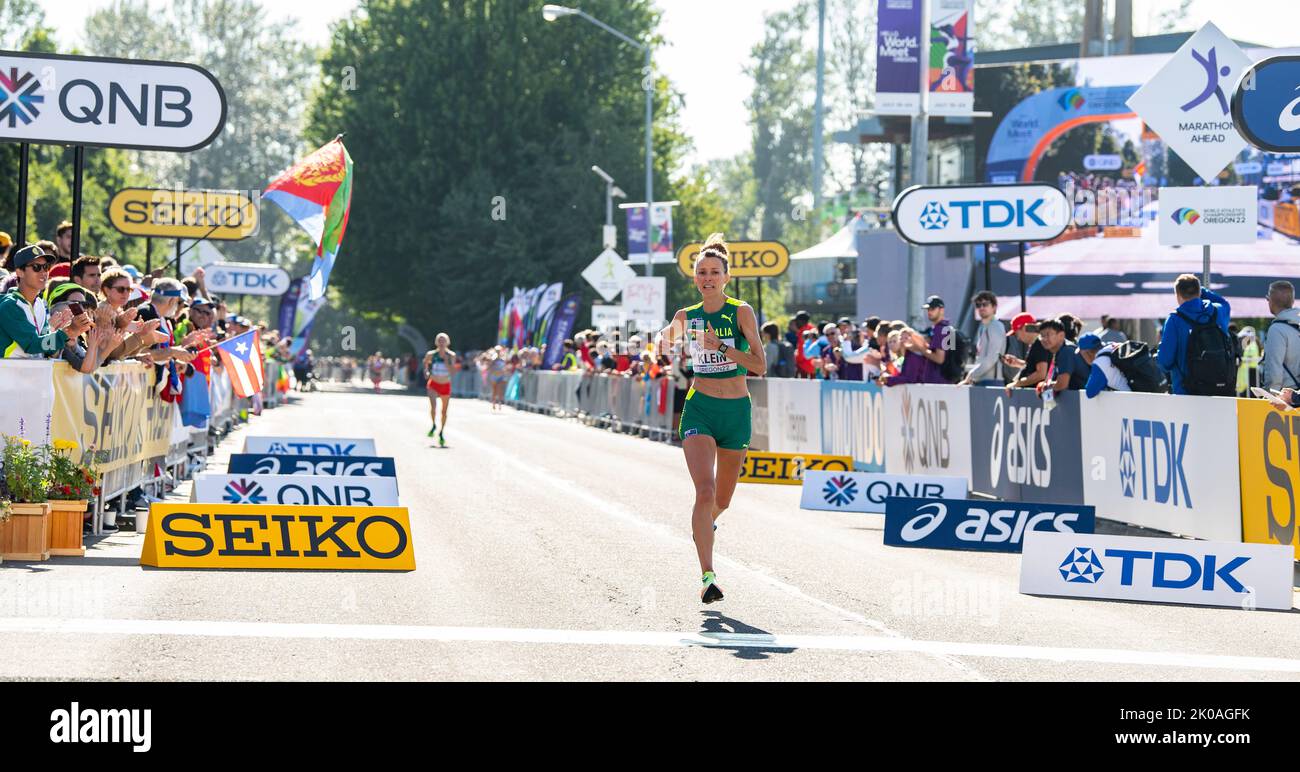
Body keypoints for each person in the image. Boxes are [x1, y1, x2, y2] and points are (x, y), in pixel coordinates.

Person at [654, 233, 765, 604]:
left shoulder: (741, 312)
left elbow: (760, 366)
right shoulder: (688, 316)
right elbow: (664, 341)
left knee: (722, 499)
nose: (707, 278)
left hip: (736, 413)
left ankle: (705, 524)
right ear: (695, 278)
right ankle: (707, 576)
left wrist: (720, 346)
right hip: (700, 407)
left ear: (726, 277)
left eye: (714, 272)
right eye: (701, 272)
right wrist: (663, 339)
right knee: (704, 491)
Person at [0, 245, 90, 358]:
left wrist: (68, 331)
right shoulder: (9, 306)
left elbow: (46, 349)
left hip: (31, 374)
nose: (44, 272)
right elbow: (32, 345)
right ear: (19, 272)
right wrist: (69, 332)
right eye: (36, 267)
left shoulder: (40, 304)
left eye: (46, 267)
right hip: (6, 374)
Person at [1156, 273, 1233, 396]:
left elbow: (1165, 361)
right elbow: (1224, 303)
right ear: (1199, 292)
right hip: (1221, 390)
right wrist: (1202, 290)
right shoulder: (1217, 311)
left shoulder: (1174, 319)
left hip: (1186, 392)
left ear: (1178, 295)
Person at [1262, 280, 1300, 391]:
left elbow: (1274, 368)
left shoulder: (1277, 329)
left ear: (1271, 301)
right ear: (1292, 301)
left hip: (1286, 397)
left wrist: (1271, 394)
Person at [1034, 317, 1089, 395]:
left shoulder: (1066, 351)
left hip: (1085, 402)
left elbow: (1062, 384)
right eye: (1042, 336)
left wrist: (1044, 388)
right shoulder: (1060, 351)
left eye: (1048, 335)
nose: (1044, 339)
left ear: (1061, 335)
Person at [962, 290, 1005, 386]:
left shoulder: (996, 326)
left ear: (994, 307)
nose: (981, 307)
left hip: (993, 382)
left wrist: (971, 374)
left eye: (985, 304)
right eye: (978, 305)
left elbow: (992, 358)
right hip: (981, 381)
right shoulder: (983, 327)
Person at [423, 333, 459, 446]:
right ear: (436, 342)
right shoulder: (431, 354)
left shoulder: (451, 355)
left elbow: (453, 371)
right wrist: (426, 371)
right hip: (433, 383)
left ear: (447, 342)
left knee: (444, 411)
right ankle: (433, 424)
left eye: (443, 340)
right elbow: (425, 364)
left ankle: (441, 432)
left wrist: (446, 360)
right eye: (440, 340)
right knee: (433, 407)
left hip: (445, 384)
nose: (441, 342)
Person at [1002, 315, 1050, 392]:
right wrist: (1018, 363)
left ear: (1024, 328)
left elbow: (1041, 373)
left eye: (1017, 334)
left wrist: (1016, 384)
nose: (1018, 338)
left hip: (1038, 396)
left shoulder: (1040, 343)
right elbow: (1035, 367)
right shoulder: (1036, 344)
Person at [1077, 333, 1130, 398]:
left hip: (1130, 400)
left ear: (1087, 353)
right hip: (1140, 392)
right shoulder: (1112, 346)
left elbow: (1090, 392)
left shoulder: (1099, 362)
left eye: (1081, 354)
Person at [1237, 326, 1260, 396]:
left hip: (1251, 372)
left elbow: (1249, 358)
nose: (1243, 338)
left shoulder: (1251, 346)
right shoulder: (1251, 345)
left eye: (1244, 336)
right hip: (1249, 373)